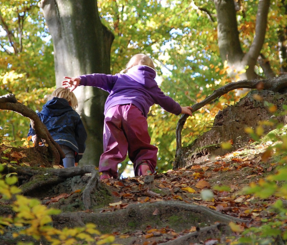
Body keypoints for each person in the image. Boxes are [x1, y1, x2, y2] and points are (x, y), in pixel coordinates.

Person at [62, 54, 192, 179]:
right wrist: (180, 109)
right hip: (134, 111)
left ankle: (106, 174)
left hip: (112, 112)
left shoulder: (120, 78)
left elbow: (99, 78)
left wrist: (80, 79)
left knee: (112, 147)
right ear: (152, 70)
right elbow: (165, 101)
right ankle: (144, 169)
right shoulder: (151, 85)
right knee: (141, 146)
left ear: (129, 67)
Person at [28, 87, 87, 168]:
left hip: (46, 146)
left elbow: (32, 133)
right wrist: (78, 158)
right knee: (68, 174)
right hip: (66, 146)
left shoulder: (41, 115)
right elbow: (81, 137)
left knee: (48, 173)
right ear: (70, 102)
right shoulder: (73, 115)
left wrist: (35, 140)